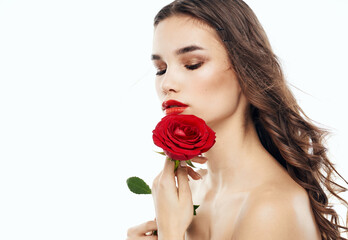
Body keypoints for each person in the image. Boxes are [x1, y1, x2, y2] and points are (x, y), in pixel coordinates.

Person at [127, 0, 348, 239]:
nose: (167, 84)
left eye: (192, 64)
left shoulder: (271, 208)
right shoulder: (188, 195)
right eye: (161, 69)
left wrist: (171, 234)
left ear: (245, 69)